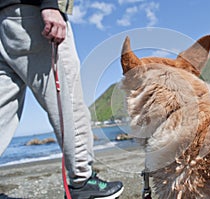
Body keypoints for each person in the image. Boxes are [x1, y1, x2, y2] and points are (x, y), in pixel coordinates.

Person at [0, 0, 124, 198]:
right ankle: (82, 181)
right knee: (68, 99)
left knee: (2, 107)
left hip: (4, 18)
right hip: (30, 13)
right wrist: (50, 4)